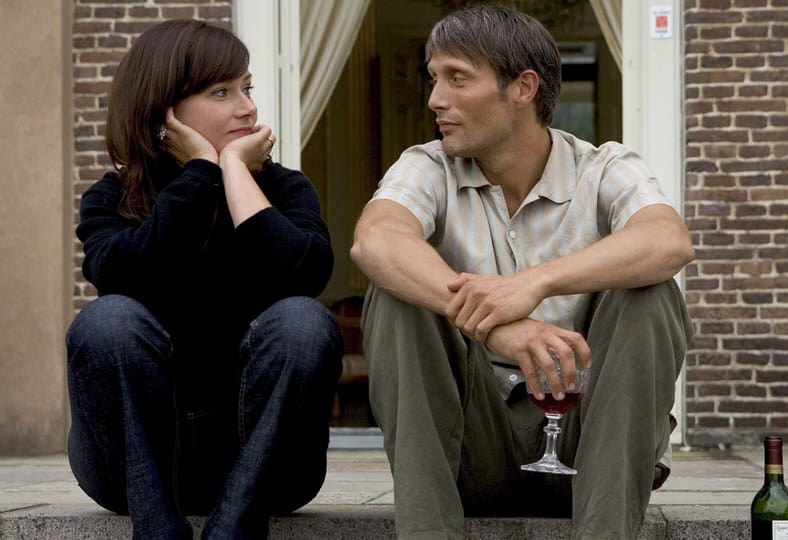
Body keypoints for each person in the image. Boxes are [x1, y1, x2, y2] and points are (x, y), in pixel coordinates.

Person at [351, 5, 695, 539]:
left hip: (591, 453)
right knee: (397, 293)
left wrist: (532, 284)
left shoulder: (603, 167)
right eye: (433, 78)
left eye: (457, 78)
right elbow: (376, 240)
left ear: (523, 88)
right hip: (468, 453)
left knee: (652, 292)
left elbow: (668, 240)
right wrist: (500, 326)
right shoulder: (427, 165)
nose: (435, 99)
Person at [65, 19, 343, 540]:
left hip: (270, 466)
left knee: (303, 320)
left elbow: (305, 275)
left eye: (248, 88)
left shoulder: (284, 190)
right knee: (107, 320)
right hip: (132, 470)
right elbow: (125, 277)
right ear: (164, 111)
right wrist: (200, 173)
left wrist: (234, 172)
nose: (248, 108)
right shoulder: (112, 199)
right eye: (221, 92)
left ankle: (235, 530)